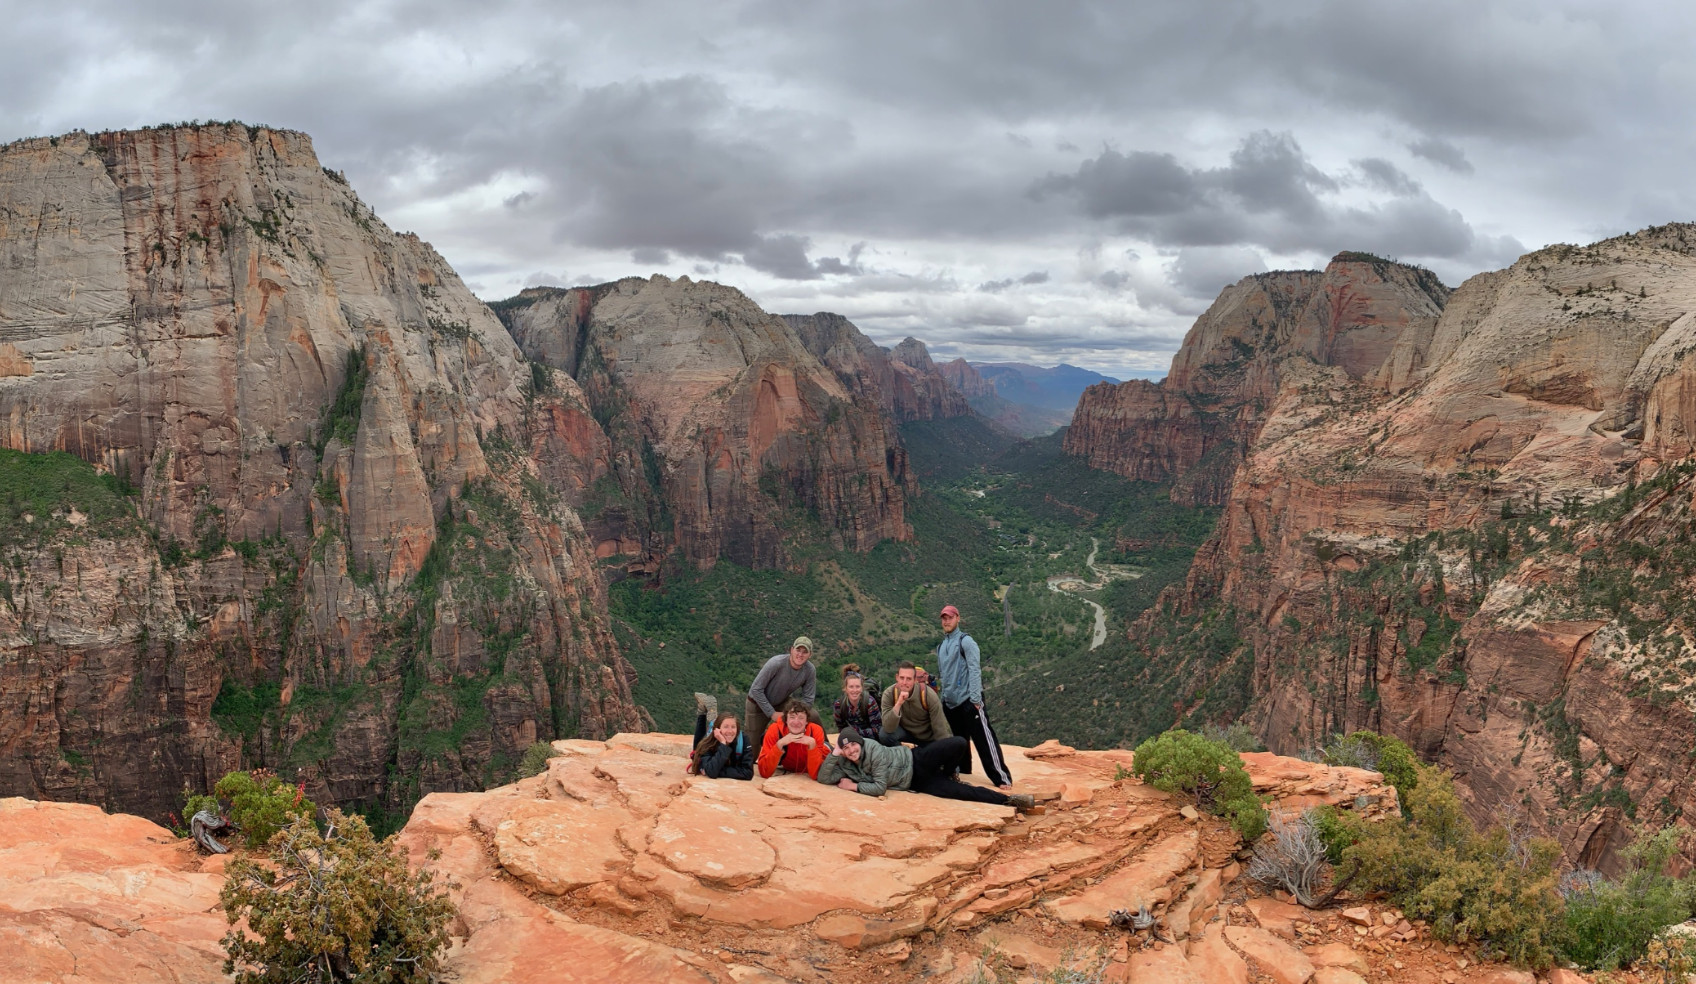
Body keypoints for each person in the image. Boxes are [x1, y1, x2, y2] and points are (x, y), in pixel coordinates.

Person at [818, 729, 1035, 811]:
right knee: (963, 794)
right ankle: (1009, 801)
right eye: (845, 748)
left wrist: (854, 786)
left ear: (861, 743)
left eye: (853, 745)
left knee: (958, 742)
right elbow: (824, 777)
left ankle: (950, 771)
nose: (851, 750)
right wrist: (834, 753)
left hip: (916, 758)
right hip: (917, 782)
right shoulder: (845, 762)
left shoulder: (872, 749)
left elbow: (880, 787)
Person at [934, 605, 1013, 789]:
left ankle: (1002, 778)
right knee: (960, 741)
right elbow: (944, 674)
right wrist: (944, 698)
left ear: (958, 618)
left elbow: (975, 670)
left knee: (984, 740)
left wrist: (976, 700)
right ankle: (964, 771)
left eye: (950, 618)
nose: (947, 621)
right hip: (951, 703)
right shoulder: (941, 646)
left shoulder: (966, 642)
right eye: (944, 618)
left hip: (969, 701)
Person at [746, 636, 824, 744]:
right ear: (791, 650)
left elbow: (808, 699)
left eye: (805, 652)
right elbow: (756, 689)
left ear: (810, 655)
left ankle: (827, 749)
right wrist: (772, 713)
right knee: (752, 749)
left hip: (781, 701)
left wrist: (799, 716)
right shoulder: (776, 663)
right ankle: (764, 739)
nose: (800, 655)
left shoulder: (810, 670)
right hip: (757, 703)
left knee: (813, 715)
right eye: (798, 650)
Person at [878, 660, 951, 747]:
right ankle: (903, 755)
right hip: (906, 734)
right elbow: (888, 728)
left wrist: (944, 749)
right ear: (897, 677)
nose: (904, 682)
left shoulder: (928, 695)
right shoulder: (889, 694)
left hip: (927, 738)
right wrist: (898, 704)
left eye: (909, 679)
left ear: (915, 680)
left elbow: (940, 729)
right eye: (902, 678)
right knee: (884, 735)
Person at [757, 699, 829, 779]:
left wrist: (812, 745)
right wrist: (779, 744)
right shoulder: (775, 730)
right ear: (786, 720)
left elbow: (815, 774)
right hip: (789, 766)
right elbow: (764, 772)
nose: (796, 722)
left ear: (807, 721)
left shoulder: (815, 731)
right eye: (792, 717)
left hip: (825, 749)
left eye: (801, 718)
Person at [687, 710, 755, 780]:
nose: (730, 731)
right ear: (718, 729)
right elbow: (712, 771)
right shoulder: (707, 744)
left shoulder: (743, 740)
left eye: (733, 727)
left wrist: (718, 771)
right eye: (726, 727)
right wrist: (723, 744)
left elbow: (748, 773)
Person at [832, 664, 881, 741]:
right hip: (851, 739)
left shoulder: (870, 703)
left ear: (862, 688)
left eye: (857, 687)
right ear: (845, 689)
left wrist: (857, 733)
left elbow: (877, 730)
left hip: (871, 740)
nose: (854, 690)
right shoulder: (839, 705)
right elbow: (841, 728)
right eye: (851, 687)